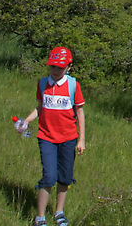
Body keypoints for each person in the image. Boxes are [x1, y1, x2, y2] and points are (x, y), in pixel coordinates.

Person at [20, 47, 86, 226]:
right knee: (49, 176)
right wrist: (26, 121)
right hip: (46, 137)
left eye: (60, 68)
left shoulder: (73, 85)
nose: (56, 71)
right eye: (53, 67)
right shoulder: (43, 84)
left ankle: (59, 212)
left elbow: (79, 112)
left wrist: (81, 139)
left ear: (68, 67)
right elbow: (39, 107)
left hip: (68, 138)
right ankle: (40, 217)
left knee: (65, 177)